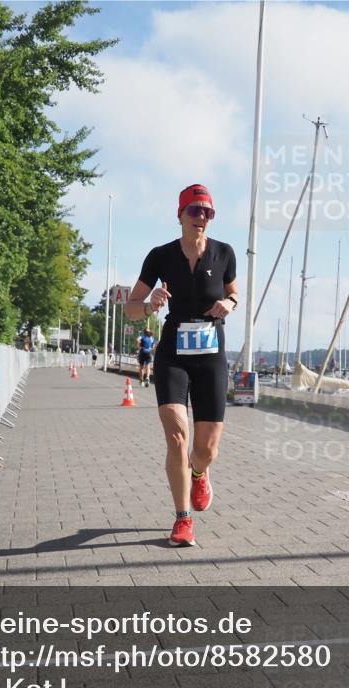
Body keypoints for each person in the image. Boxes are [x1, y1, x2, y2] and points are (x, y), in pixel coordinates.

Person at [125, 184, 238, 547]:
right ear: (180, 215)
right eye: (194, 210)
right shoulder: (160, 256)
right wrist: (150, 304)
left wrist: (230, 304)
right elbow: (131, 308)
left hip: (210, 355)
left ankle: (200, 473)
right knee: (177, 436)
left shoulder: (224, 253)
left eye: (207, 212)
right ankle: (182, 518)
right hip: (173, 353)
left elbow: (234, 293)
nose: (201, 217)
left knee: (206, 449)